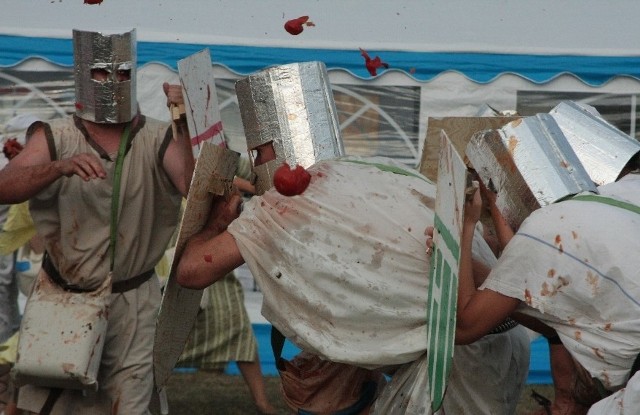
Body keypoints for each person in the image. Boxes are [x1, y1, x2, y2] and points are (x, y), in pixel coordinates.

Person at [0, 28, 194, 414]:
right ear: (83, 77)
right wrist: (57, 167)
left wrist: (185, 123)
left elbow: (191, 184)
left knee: (128, 405)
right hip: (62, 299)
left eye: (123, 72)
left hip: (133, 301)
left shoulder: (159, 137)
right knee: (49, 405)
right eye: (102, 73)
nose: (113, 82)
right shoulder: (56, 137)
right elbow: (5, 186)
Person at [428, 119, 640, 413]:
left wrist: (463, 227)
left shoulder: (548, 230)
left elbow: (465, 326)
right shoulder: (628, 191)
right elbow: (524, 291)